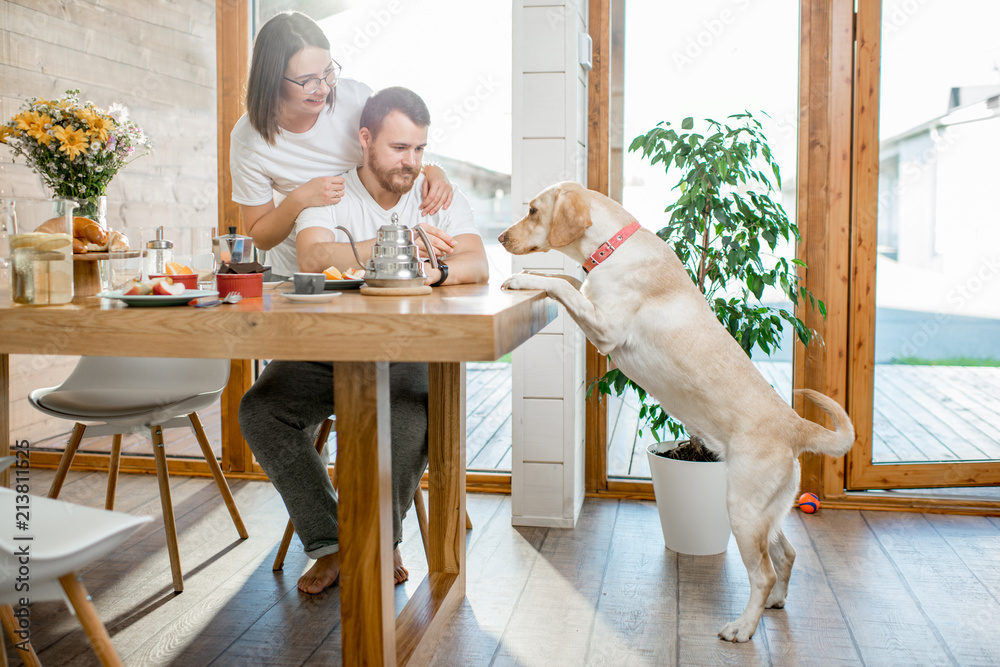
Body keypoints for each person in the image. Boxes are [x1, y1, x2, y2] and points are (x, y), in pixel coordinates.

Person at [239, 86, 489, 595]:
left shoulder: (436, 195)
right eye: (400, 148)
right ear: (366, 139)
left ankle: (382, 540)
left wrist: (431, 275)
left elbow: (476, 263)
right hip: (327, 352)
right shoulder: (331, 193)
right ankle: (332, 542)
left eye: (420, 149)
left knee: (408, 413)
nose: (412, 162)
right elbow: (311, 256)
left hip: (409, 351)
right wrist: (400, 247)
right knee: (261, 410)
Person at [229, 10, 453, 278]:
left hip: (367, 263)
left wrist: (432, 170)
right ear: (273, 79)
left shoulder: (354, 100)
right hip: (298, 273)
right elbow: (260, 237)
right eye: (307, 81)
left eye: (328, 72)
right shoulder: (249, 139)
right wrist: (299, 198)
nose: (323, 88)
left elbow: (397, 147)